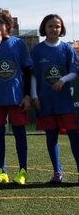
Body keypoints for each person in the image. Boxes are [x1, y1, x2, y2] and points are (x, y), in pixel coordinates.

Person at [0, 7, 32, 185]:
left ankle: (22, 171)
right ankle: (1, 171)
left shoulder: (18, 44)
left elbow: (27, 71)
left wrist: (27, 96)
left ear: (8, 24)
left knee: (19, 134)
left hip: (16, 97)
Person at [30, 14, 79, 184]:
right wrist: (34, 96)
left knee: (74, 136)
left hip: (65, 101)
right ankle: (57, 173)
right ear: (44, 28)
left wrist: (62, 80)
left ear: (62, 29)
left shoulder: (67, 49)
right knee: (51, 137)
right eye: (50, 26)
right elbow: (34, 75)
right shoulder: (37, 50)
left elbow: (74, 71)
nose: (54, 29)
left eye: (57, 26)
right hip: (46, 101)